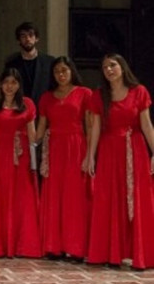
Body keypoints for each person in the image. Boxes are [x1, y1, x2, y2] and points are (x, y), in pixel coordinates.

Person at [86, 54, 154, 269]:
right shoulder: (99, 96)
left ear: (122, 67)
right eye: (105, 67)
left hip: (134, 149)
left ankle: (142, 255)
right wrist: (90, 156)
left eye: (113, 65)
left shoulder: (139, 92)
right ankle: (110, 253)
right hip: (108, 151)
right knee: (109, 199)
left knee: (139, 198)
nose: (109, 70)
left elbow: (146, 125)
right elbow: (95, 128)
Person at [0, 68, 42, 258]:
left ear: (19, 85)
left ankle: (21, 245)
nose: (9, 86)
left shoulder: (28, 104)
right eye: (6, 82)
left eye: (13, 82)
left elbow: (33, 136)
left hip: (20, 157)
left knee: (20, 198)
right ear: (0, 84)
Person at [35, 56, 91, 262]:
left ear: (71, 71)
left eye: (64, 70)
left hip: (76, 146)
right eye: (57, 71)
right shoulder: (46, 98)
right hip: (54, 149)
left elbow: (90, 126)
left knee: (74, 197)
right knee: (54, 194)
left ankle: (75, 248)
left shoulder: (84, 94)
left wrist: (90, 154)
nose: (61, 74)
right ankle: (53, 246)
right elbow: (39, 130)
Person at [3, 22, 55, 105]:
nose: (28, 39)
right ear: (18, 40)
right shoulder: (11, 63)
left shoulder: (49, 62)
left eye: (31, 35)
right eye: (23, 36)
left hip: (44, 109)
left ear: (36, 38)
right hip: (19, 109)